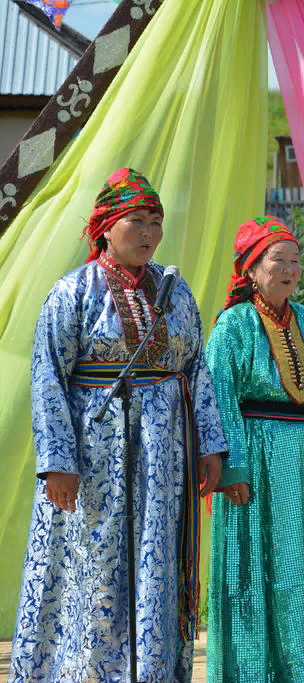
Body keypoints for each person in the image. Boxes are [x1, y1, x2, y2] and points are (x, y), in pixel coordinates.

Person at [8, 168, 226, 682]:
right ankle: (81, 671)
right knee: (95, 561)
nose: (149, 233)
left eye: (156, 222)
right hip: (93, 455)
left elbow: (197, 369)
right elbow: (48, 378)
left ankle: (147, 672)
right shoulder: (72, 292)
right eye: (137, 221)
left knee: (155, 558)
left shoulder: (175, 291)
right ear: (106, 226)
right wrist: (58, 463)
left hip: (163, 455)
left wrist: (210, 447)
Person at [204, 216, 304, 682]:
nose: (290, 269)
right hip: (257, 459)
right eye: (278, 260)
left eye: (296, 260)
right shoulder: (232, 324)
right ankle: (253, 672)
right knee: (255, 566)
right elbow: (219, 397)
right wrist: (233, 468)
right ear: (252, 268)